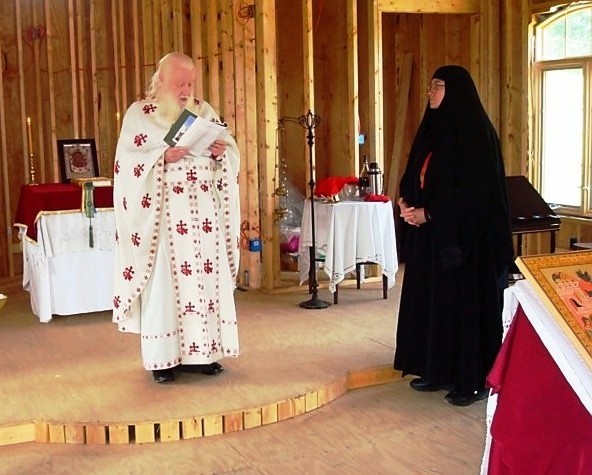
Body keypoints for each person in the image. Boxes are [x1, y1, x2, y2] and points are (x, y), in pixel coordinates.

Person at [112, 52, 241, 384]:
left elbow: (230, 154)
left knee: (204, 286)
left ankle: (204, 355)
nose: (186, 90)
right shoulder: (139, 114)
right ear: (161, 81)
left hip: (204, 223)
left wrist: (220, 153)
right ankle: (162, 361)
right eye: (179, 83)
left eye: (190, 83)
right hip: (164, 223)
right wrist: (162, 156)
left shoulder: (204, 112)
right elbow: (127, 166)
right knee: (166, 290)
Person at [393, 65, 514, 406]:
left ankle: (471, 379)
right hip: (433, 239)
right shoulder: (432, 130)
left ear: (456, 91)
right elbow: (415, 174)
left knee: (464, 309)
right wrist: (407, 204)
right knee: (433, 305)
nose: (430, 92)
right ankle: (436, 369)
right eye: (430, 86)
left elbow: (474, 195)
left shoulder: (476, 134)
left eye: (438, 86)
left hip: (467, 243)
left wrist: (429, 213)